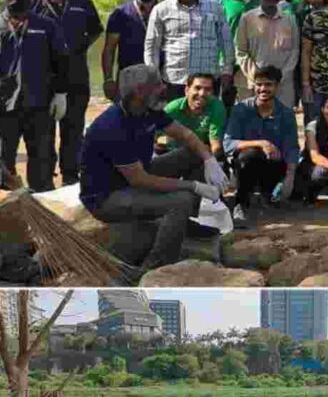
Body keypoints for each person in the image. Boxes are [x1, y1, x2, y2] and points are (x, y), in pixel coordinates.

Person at [79, 64, 225, 270]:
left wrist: (209, 160)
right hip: (109, 197)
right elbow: (140, 180)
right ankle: (156, 265)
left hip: (137, 174)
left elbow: (186, 135)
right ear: (139, 91)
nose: (163, 87)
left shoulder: (148, 109)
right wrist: (193, 186)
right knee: (180, 200)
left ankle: (182, 223)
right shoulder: (112, 126)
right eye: (157, 85)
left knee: (194, 153)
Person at [0, 0, 68, 191]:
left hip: (39, 103)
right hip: (4, 104)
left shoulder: (46, 26)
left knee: (41, 155)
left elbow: (61, 61)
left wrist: (61, 94)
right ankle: (3, 204)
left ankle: (42, 201)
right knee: (3, 157)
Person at [30, 0, 103, 187]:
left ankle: (70, 175)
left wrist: (77, 49)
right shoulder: (32, 3)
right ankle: (45, 177)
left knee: (73, 130)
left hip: (76, 78)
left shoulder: (83, 3)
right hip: (42, 80)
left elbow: (95, 31)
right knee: (44, 131)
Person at [223, 65, 300, 225]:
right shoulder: (241, 109)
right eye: (259, 85)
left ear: (277, 87)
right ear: (254, 86)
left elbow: (291, 147)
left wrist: (290, 177)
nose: (263, 89)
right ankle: (240, 204)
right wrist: (261, 143)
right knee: (249, 155)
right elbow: (228, 144)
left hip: (273, 165)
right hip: (245, 164)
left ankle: (267, 196)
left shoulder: (286, 114)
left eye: (268, 84)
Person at [145, 0, 234, 101]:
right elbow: (152, 46)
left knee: (206, 120)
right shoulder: (161, 10)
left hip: (207, 79)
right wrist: (153, 77)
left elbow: (226, 42)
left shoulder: (215, 7)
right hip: (175, 79)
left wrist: (227, 71)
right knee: (174, 120)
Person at [235, 0, 300, 108]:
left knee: (281, 123)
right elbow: (241, 51)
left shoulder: (290, 20)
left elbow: (294, 51)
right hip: (254, 84)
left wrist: (281, 76)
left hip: (283, 85)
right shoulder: (247, 18)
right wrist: (259, 77)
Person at [102, 0, 159, 102]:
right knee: (125, 118)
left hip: (159, 78)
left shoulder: (165, 11)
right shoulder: (120, 14)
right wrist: (108, 79)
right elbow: (109, 49)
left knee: (159, 118)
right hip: (127, 77)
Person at [162, 73, 227, 163]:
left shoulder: (217, 107)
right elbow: (157, 139)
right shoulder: (171, 109)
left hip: (202, 153)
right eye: (197, 88)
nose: (202, 93)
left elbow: (215, 141)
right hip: (172, 153)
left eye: (207, 89)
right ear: (187, 90)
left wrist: (215, 163)